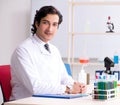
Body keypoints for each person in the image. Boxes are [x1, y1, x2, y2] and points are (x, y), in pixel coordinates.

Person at [10, 5, 87, 100]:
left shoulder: (54, 50)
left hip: (50, 100)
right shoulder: (23, 50)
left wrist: (77, 86)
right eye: (46, 23)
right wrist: (69, 89)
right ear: (37, 24)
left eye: (54, 24)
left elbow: (64, 78)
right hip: (26, 102)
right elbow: (36, 87)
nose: (50, 29)